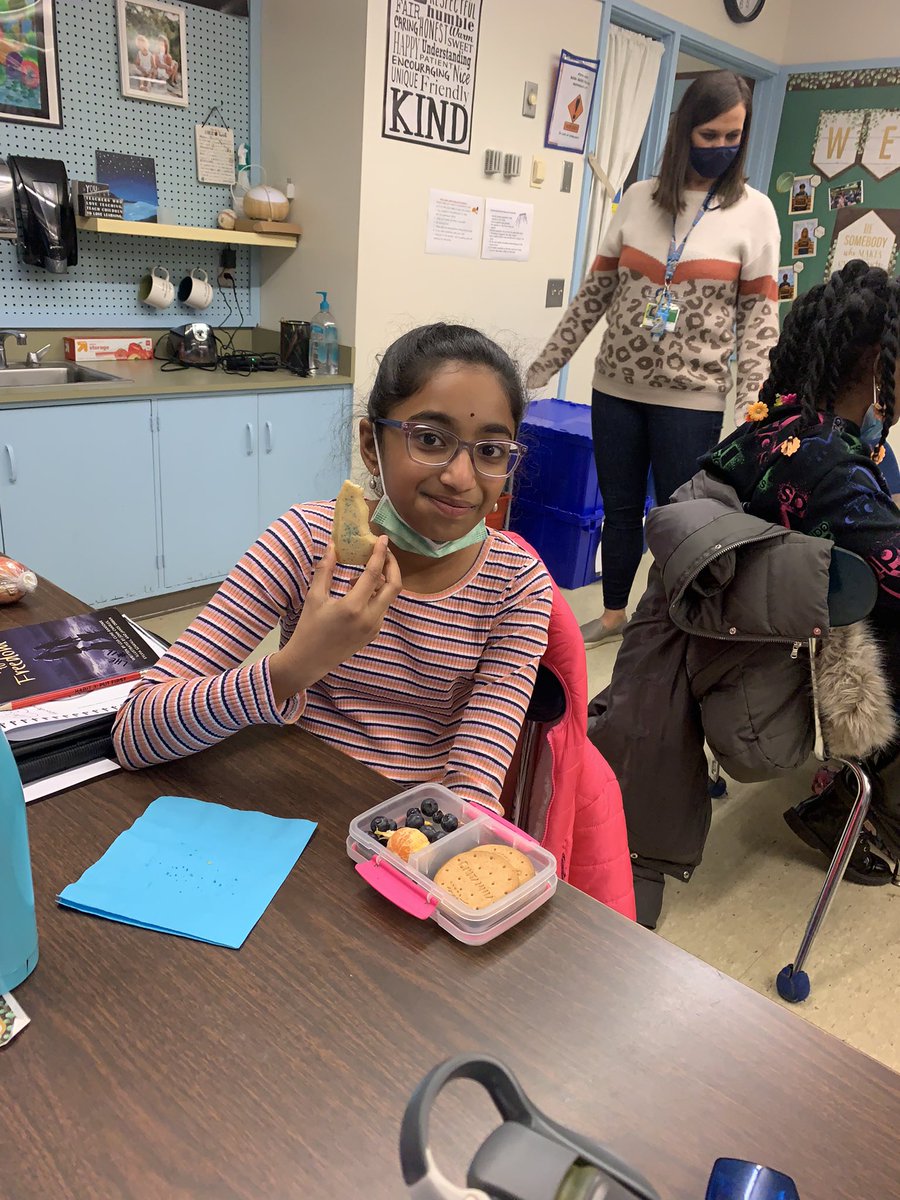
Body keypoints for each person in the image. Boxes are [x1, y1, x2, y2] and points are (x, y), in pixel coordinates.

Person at [112, 325, 554, 816]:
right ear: (370, 445)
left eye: (490, 451)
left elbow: (473, 790)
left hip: (404, 827)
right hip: (284, 806)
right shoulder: (306, 541)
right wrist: (295, 667)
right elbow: (135, 733)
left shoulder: (517, 584)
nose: (460, 477)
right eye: (430, 439)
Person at [526, 70, 780, 647]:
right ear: (684, 130)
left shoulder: (755, 212)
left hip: (692, 402)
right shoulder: (639, 199)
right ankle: (614, 614)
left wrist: (750, 409)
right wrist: (541, 368)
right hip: (615, 389)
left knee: (678, 518)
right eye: (709, 135)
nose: (721, 147)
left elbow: (759, 323)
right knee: (619, 511)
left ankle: (668, 622)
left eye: (733, 136)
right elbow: (593, 296)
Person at [704, 259, 900, 883]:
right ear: (878, 364)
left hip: (759, 627)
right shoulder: (832, 466)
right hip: (817, 650)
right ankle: (853, 806)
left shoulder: (770, 426)